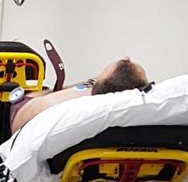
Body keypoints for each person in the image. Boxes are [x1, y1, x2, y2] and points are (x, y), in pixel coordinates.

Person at [10, 57, 149, 134]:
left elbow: (17, 121)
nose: (126, 57)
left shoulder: (45, 107)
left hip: (21, 107)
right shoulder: (98, 87)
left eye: (125, 61)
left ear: (114, 71)